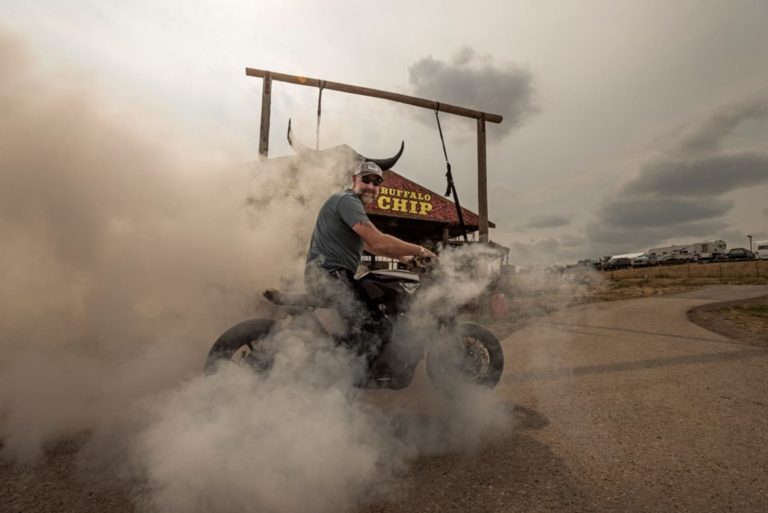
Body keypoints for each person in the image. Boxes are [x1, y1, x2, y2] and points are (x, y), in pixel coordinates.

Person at [305, 160, 437, 350]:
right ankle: (359, 377)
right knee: (379, 329)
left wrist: (406, 259)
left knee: (368, 315)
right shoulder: (347, 201)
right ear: (354, 179)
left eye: (376, 183)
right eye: (366, 180)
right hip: (329, 276)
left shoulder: (348, 204)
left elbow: (370, 245)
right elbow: (378, 241)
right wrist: (421, 251)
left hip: (330, 275)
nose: (371, 187)